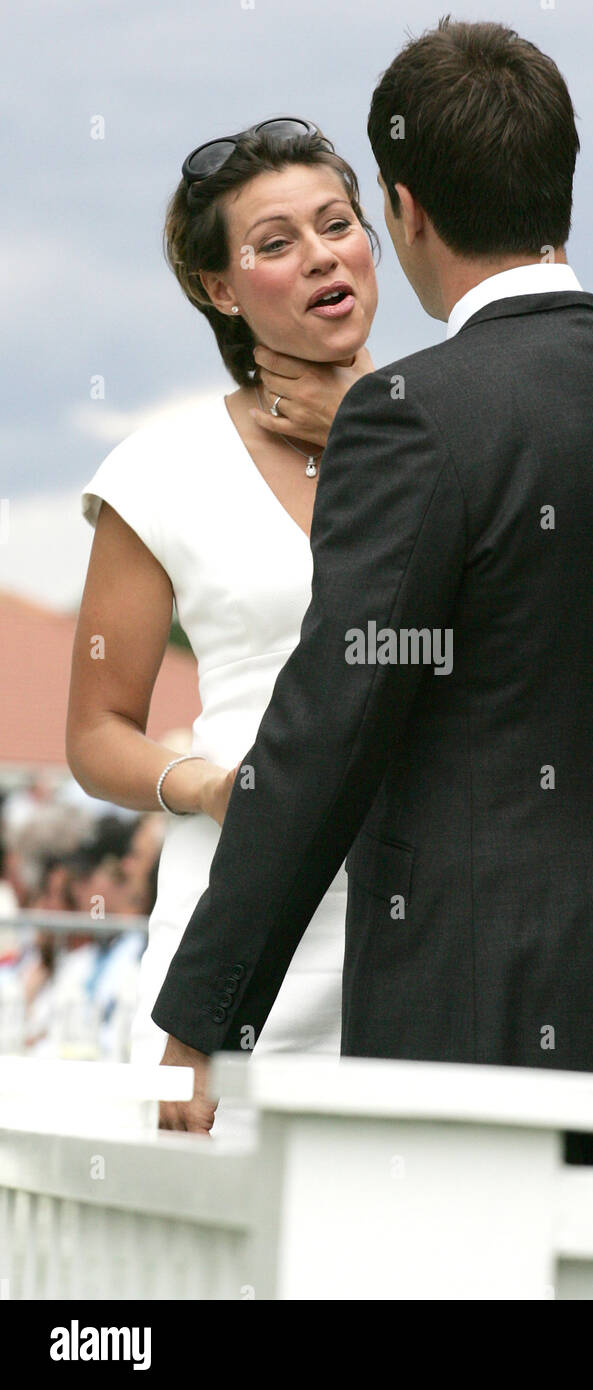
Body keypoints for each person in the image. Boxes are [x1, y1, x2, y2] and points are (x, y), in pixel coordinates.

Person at [150, 17, 593, 1166]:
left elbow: (328, 729)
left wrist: (204, 1015)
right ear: (560, 179)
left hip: (460, 1019)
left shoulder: (407, 415)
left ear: (406, 207)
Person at [66, 119, 379, 1078]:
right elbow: (97, 732)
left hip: (437, 954)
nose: (324, 255)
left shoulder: (461, 430)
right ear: (221, 288)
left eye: (338, 223)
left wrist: (375, 432)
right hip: (237, 963)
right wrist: (207, 786)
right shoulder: (164, 468)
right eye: (277, 243)